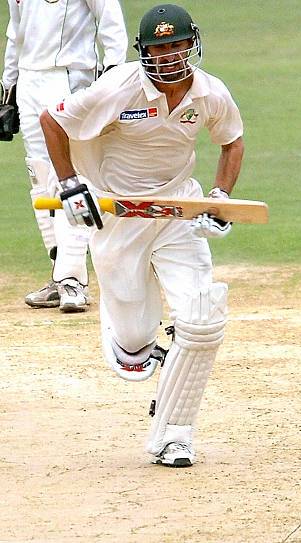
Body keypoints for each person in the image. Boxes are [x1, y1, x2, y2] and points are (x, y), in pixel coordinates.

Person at [39, 3, 245, 467]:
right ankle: (133, 339)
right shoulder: (119, 86)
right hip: (120, 215)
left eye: (175, 45)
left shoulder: (210, 93)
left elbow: (232, 140)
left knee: (202, 319)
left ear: (192, 44)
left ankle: (175, 434)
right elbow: (52, 120)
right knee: (133, 352)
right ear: (143, 51)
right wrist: (72, 185)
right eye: (158, 47)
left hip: (177, 209)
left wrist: (219, 197)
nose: (168, 56)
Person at [1, 0, 128, 312]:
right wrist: (8, 87)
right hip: (29, 79)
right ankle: (60, 274)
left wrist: (112, 75)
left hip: (71, 75)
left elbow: (111, 22)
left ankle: (73, 281)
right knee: (41, 174)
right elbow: (15, 31)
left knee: (69, 174)